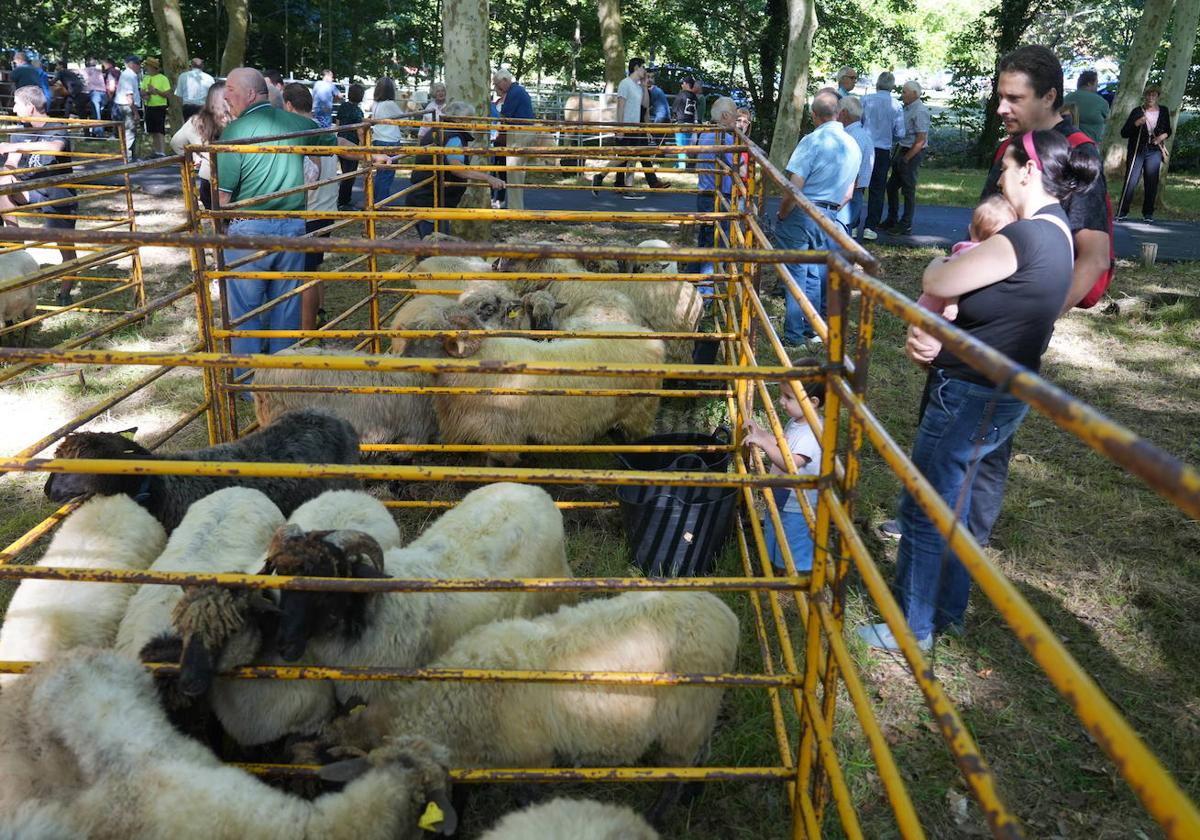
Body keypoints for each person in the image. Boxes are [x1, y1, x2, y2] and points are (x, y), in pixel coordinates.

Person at [859, 129, 1098, 652]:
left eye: (1007, 167)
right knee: (957, 506)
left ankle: (911, 627)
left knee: (926, 506)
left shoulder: (1025, 237)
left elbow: (941, 280)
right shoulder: (1058, 232)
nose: (1001, 176)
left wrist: (938, 264)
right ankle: (946, 613)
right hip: (998, 390)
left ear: (1029, 171)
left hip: (969, 392)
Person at [214, 67, 334, 369]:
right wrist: (371, 155)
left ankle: (247, 380)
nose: (226, 96)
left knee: (245, 309)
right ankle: (283, 375)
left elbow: (223, 198)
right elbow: (334, 142)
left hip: (250, 231)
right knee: (286, 305)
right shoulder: (295, 122)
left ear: (251, 93)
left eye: (230, 89)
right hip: (292, 227)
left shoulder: (236, 132)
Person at [775, 90, 861, 347]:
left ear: (814, 116)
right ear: (838, 114)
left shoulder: (811, 141)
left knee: (795, 271)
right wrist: (830, 209)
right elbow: (849, 191)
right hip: (830, 214)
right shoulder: (852, 145)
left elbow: (795, 186)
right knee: (813, 272)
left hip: (804, 211)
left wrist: (783, 212)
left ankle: (793, 334)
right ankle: (811, 329)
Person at [0, 86, 79, 304]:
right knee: (2, 183)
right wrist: (8, 167)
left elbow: (55, 148)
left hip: (57, 194)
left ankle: (65, 292)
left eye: (17, 104)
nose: (14, 109)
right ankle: (16, 243)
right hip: (31, 190)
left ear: (30, 107)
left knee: (65, 247)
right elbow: (11, 163)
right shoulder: (20, 132)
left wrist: (16, 148)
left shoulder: (57, 127)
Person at [742, 368, 824, 573]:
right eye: (782, 395)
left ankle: (795, 577)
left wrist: (764, 444)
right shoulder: (797, 422)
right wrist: (761, 434)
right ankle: (778, 565)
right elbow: (783, 446)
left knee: (793, 539)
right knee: (777, 530)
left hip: (798, 503)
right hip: (784, 494)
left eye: (788, 397)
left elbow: (790, 462)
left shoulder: (811, 433)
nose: (781, 402)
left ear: (812, 402)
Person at [282, 82, 340, 330]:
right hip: (327, 210)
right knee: (315, 267)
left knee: (306, 274)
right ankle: (318, 312)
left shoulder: (300, 134)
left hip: (308, 213)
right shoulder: (324, 130)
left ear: (288, 106)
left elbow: (309, 177)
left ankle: (306, 332)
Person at [405, 100, 505, 238]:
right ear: (459, 119)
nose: (471, 124)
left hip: (421, 194)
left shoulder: (437, 130)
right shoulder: (454, 137)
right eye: (469, 119)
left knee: (430, 243)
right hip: (432, 199)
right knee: (438, 246)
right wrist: (488, 178)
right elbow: (457, 169)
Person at [592, 57, 666, 198]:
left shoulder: (638, 86)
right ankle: (601, 176)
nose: (645, 70)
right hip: (625, 126)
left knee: (629, 158)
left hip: (636, 128)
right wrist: (620, 127)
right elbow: (620, 106)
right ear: (637, 67)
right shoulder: (625, 84)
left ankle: (625, 187)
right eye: (643, 67)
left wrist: (644, 86)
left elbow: (645, 105)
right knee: (624, 157)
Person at [691, 96, 739, 284]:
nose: (736, 120)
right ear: (725, 115)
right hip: (719, 197)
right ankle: (707, 291)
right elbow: (740, 165)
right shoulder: (725, 138)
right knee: (717, 242)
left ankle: (694, 277)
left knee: (705, 238)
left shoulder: (705, 134)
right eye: (734, 115)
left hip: (704, 194)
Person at [879, 80, 930, 236]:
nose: (902, 95)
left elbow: (921, 139)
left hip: (912, 152)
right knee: (892, 186)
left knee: (908, 189)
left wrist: (907, 158)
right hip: (902, 150)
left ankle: (906, 224)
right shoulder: (907, 109)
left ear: (914, 94)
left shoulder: (920, 111)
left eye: (905, 92)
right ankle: (892, 219)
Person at [170, 80, 230, 210]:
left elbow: (176, 143)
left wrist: (195, 156)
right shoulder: (235, 119)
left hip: (208, 178)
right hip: (232, 178)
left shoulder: (196, 121)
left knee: (217, 219)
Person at [1116, 86, 1172, 223]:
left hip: (1154, 151)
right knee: (1131, 180)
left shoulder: (1163, 111)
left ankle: (1148, 213)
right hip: (1137, 150)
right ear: (1145, 96)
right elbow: (1124, 133)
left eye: (1154, 95)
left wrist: (1160, 138)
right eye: (1148, 95)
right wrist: (1136, 123)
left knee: (1151, 181)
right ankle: (1122, 212)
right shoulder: (1137, 111)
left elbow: (1168, 130)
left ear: (1158, 97)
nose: (1151, 98)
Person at [860, 72, 904, 241]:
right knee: (877, 189)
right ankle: (870, 226)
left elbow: (860, 122)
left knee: (858, 185)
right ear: (892, 87)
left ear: (877, 84)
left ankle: (854, 223)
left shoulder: (866, 100)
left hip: (865, 146)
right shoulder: (896, 105)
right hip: (883, 149)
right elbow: (900, 132)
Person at [493, 69, 535, 210]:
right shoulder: (517, 90)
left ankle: (515, 208)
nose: (497, 88)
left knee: (514, 172)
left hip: (519, 133)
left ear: (505, 81)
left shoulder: (514, 92)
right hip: (522, 132)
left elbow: (505, 115)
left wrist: (493, 110)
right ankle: (514, 205)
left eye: (498, 84)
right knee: (515, 172)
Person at [838, 96, 874, 238]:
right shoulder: (862, 135)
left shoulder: (852, 137)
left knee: (841, 232)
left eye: (838, 111)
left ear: (844, 113)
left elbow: (853, 171)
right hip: (854, 192)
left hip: (848, 193)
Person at [368, 77, 404, 207]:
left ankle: (375, 200)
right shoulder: (390, 104)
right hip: (390, 141)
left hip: (378, 139)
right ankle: (381, 202)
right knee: (387, 174)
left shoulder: (376, 104)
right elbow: (403, 116)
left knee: (380, 174)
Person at [334, 83, 366, 210]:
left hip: (340, 141)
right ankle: (343, 202)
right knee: (349, 175)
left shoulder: (342, 107)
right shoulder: (358, 112)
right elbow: (360, 131)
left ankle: (341, 200)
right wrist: (364, 146)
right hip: (351, 145)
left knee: (344, 173)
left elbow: (337, 123)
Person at [1062, 70, 1109, 143]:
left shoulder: (1066, 98)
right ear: (1089, 83)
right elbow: (1110, 123)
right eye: (1096, 83)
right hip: (1091, 148)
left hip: (1067, 145)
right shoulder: (1101, 102)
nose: (1097, 86)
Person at [140, 58, 171, 157]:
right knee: (152, 130)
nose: (147, 68)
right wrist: (147, 93)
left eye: (148, 66)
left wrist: (156, 91)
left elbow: (167, 94)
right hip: (149, 105)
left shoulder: (163, 78)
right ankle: (156, 151)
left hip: (160, 106)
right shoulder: (146, 78)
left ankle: (162, 151)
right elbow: (142, 92)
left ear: (154, 68)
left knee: (159, 129)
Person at [114, 55, 142, 160]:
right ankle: (128, 157)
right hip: (128, 106)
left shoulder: (128, 75)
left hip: (125, 105)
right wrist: (136, 112)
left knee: (131, 132)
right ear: (131, 64)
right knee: (130, 132)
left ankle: (132, 156)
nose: (139, 66)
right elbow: (129, 96)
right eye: (137, 64)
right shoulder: (129, 76)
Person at [671, 76, 699, 169]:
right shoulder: (695, 97)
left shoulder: (681, 95)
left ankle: (682, 165)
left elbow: (674, 108)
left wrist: (674, 119)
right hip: (691, 124)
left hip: (681, 123)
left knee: (680, 144)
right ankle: (682, 163)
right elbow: (696, 111)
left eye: (683, 83)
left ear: (687, 84)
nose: (682, 85)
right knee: (687, 145)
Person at [82, 59, 108, 135]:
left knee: (96, 114)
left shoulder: (87, 70)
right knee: (98, 113)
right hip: (103, 93)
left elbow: (85, 79)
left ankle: (99, 133)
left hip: (95, 93)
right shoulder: (99, 71)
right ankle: (94, 131)